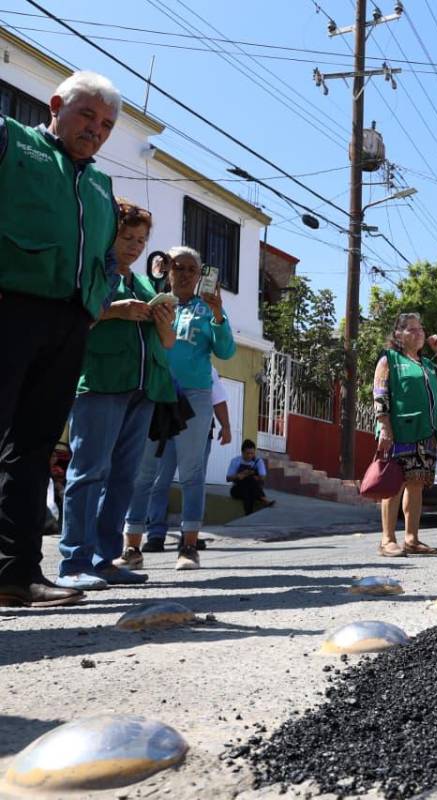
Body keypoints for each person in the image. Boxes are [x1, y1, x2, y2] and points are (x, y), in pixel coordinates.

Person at [0, 71, 123, 608]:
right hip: (10, 306)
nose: (96, 130)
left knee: (31, 451)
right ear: (56, 106)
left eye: (107, 125)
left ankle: (16, 574)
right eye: (87, 115)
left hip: (69, 323)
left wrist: (95, 304)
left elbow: (107, 259)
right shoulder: (12, 141)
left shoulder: (101, 185)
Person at [56, 200, 176, 590]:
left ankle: (104, 559)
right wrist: (115, 310)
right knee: (88, 473)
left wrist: (163, 321)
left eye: (141, 240)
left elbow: (168, 343)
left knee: (124, 478)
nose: (135, 246)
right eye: (127, 238)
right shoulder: (92, 274)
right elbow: (74, 320)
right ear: (109, 235)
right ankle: (74, 562)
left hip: (143, 389)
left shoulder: (145, 284)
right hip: (100, 383)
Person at [123, 246, 235, 570]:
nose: (184, 274)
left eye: (191, 269)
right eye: (178, 267)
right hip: (154, 392)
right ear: (168, 270)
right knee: (143, 471)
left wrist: (218, 315)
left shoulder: (208, 309)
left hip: (195, 395)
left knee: (191, 472)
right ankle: (132, 547)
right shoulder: (156, 302)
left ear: (200, 275)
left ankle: (188, 547)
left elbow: (226, 351)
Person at [373, 312, 437, 558]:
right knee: (394, 483)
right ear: (398, 334)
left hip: (426, 432)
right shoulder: (389, 359)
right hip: (399, 430)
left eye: (420, 328)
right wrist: (384, 427)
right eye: (411, 329)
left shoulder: (427, 365)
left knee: (416, 484)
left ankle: (412, 539)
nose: (419, 333)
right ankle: (388, 540)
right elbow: (380, 393)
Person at [227, 439, 273, 515]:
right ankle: (263, 499)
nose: (250, 456)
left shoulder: (258, 461)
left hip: (253, 489)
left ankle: (248, 514)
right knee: (247, 485)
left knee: (249, 486)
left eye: (252, 453)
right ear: (242, 452)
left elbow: (263, 477)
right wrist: (238, 476)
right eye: (247, 453)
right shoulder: (236, 461)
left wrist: (254, 476)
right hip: (237, 489)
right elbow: (228, 478)